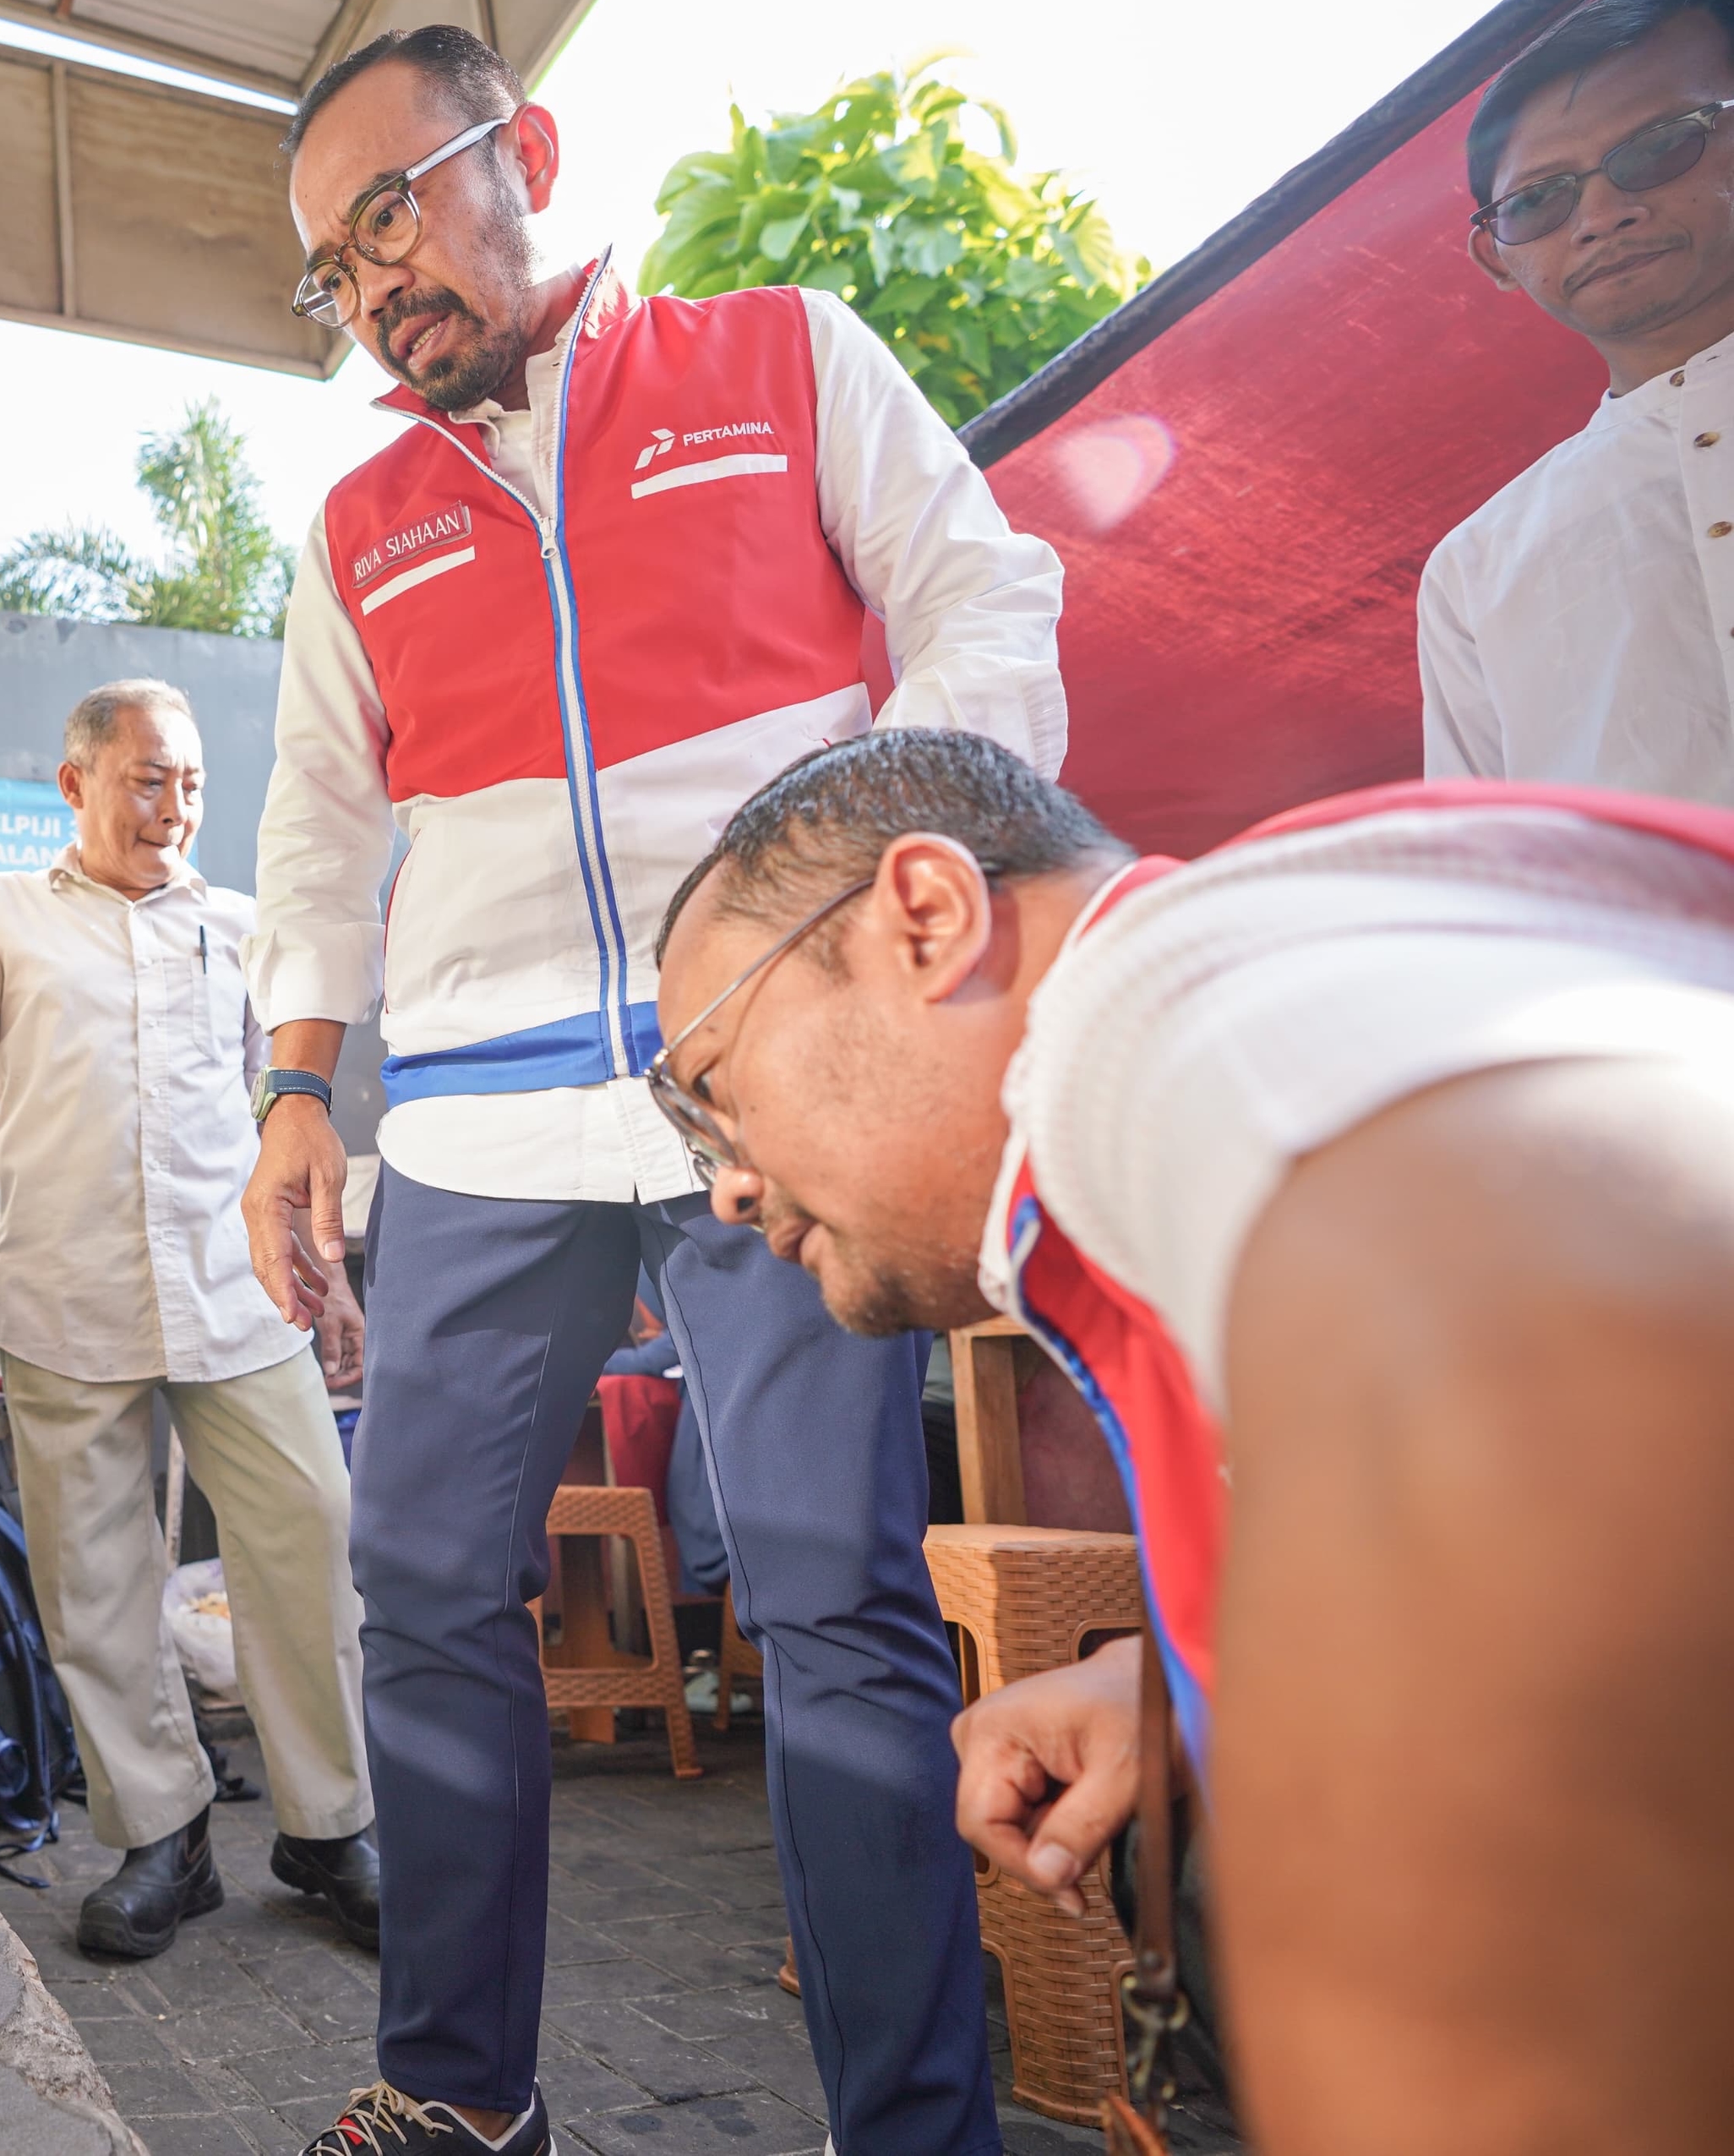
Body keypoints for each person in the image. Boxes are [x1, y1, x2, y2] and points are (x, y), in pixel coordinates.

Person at [243, 25, 1066, 2156]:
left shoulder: (781, 356)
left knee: (830, 1598)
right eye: (332, 270)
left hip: (769, 1099)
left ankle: (912, 2129)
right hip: (480, 1133)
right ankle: (454, 2095)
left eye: (389, 214)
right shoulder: (354, 522)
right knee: (420, 1589)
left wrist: (863, 900)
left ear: (519, 149)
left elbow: (984, 601)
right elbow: (317, 833)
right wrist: (295, 1094)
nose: (372, 285)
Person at [647, 726, 1734, 2153]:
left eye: (714, 1082)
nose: (724, 1185)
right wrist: (1206, 1661)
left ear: (928, 919)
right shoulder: (1279, 973)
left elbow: (1564, 1354)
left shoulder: (1184, 1027)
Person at [0, 680, 382, 1964]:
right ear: (76, 782)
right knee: (95, 1581)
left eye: (191, 782)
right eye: (150, 779)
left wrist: (337, 1270)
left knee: (307, 1526)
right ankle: (165, 1836)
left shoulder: (240, 929)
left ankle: (327, 1825)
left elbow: (294, 1118)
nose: (175, 807)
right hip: (66, 1288)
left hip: (238, 1286)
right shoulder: (0, 914)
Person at [1424, 0, 1734, 800]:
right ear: (1496, 257)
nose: (1600, 216)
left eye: (1663, 145)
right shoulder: (1475, 568)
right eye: (1538, 199)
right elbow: (1492, 879)